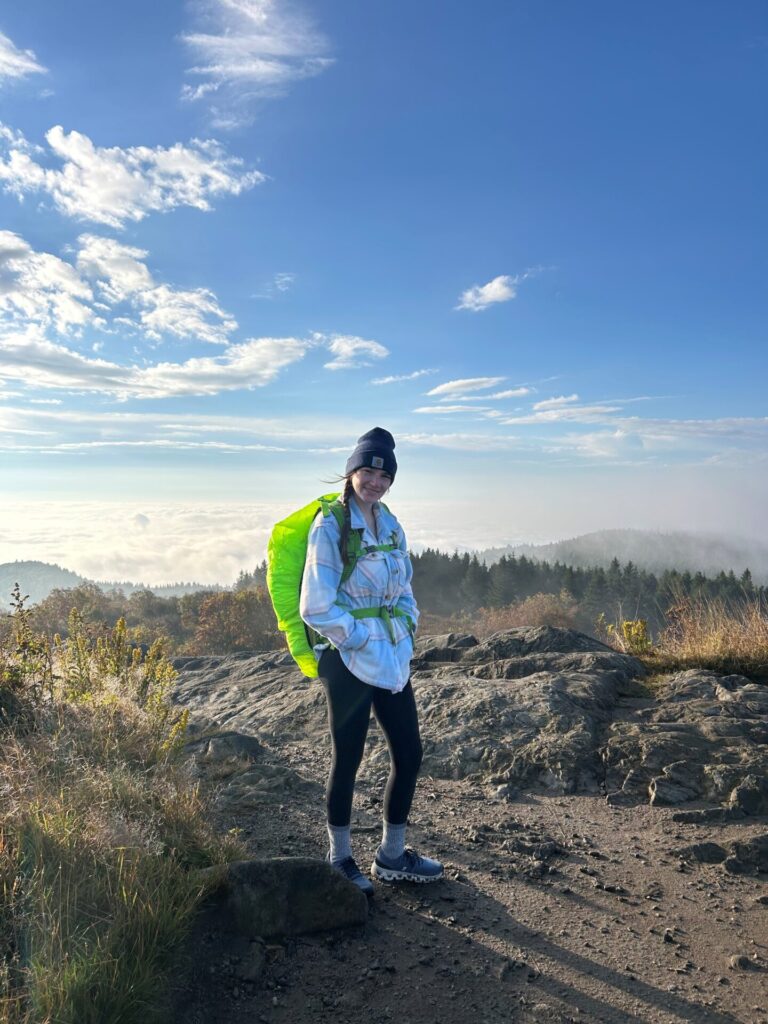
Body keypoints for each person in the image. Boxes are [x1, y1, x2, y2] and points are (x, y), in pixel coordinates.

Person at [300, 427, 443, 894]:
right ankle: (340, 859)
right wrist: (360, 638)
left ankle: (392, 856)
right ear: (352, 472)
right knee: (349, 758)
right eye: (368, 471)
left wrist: (405, 629)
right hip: (345, 656)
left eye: (384, 476)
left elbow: (404, 590)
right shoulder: (331, 525)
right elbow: (315, 605)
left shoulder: (391, 525)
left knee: (410, 752)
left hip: (389, 653)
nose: (375, 482)